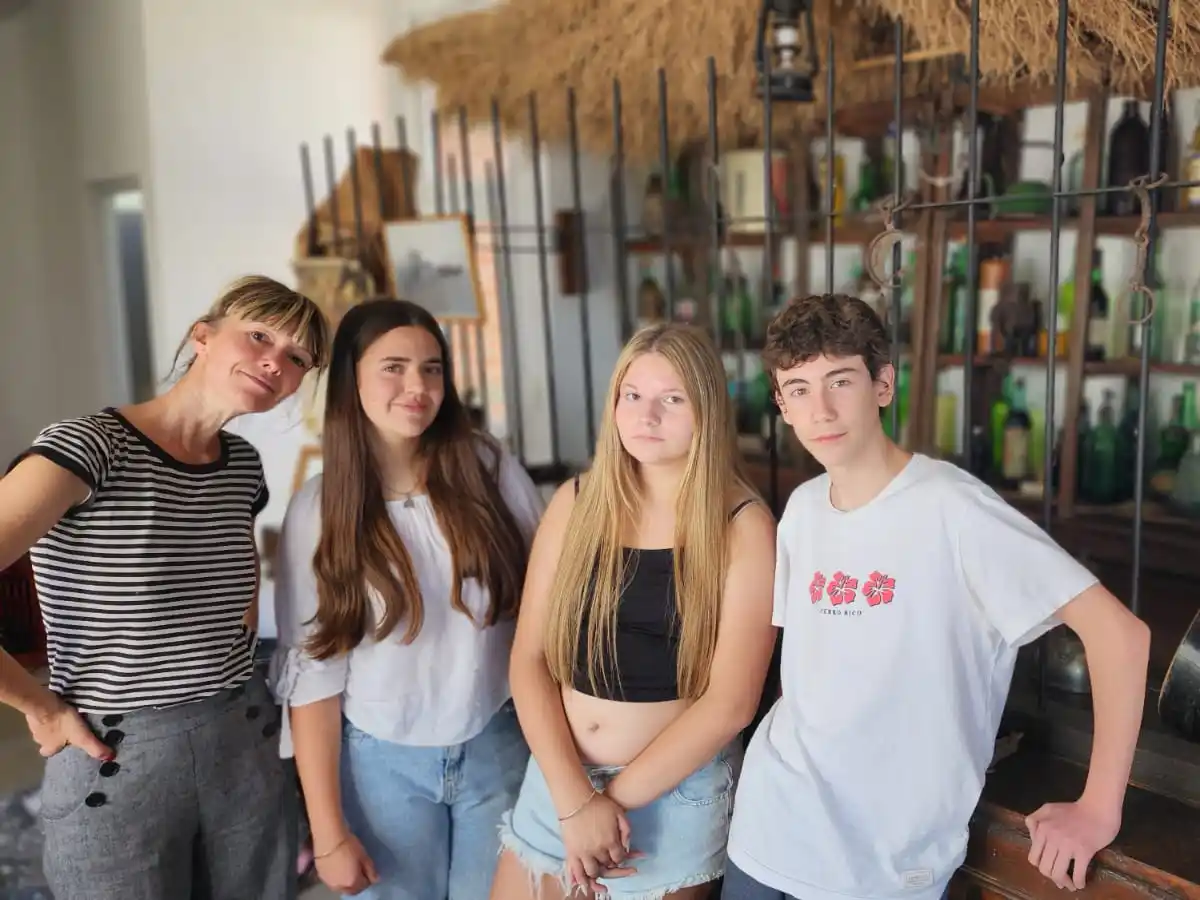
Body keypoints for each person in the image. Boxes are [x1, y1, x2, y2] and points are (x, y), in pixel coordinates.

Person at [722, 293, 1152, 900]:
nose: (820, 408)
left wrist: (1099, 808)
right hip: (768, 834)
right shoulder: (802, 510)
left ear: (883, 385)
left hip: (888, 866)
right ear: (782, 406)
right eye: (798, 389)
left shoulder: (953, 508)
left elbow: (1121, 636)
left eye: (839, 380)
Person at [0, 275, 330, 900]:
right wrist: (37, 706)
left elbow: (232, 586)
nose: (275, 362)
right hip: (116, 752)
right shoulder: (89, 446)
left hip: (245, 735)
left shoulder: (242, 465)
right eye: (258, 335)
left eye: (297, 358)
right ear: (202, 336)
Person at [491, 323, 777, 899]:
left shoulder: (743, 524)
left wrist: (606, 806)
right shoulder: (575, 501)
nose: (647, 417)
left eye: (672, 400)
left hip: (673, 797)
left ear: (707, 413)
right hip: (559, 782)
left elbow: (731, 704)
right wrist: (575, 803)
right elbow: (529, 659)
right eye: (633, 396)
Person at [271, 298, 544, 900]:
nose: (417, 386)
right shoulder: (320, 508)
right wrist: (329, 831)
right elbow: (312, 674)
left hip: (497, 743)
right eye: (393, 367)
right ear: (352, 378)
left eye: (432, 368)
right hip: (380, 766)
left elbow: (547, 609)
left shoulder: (489, 468)